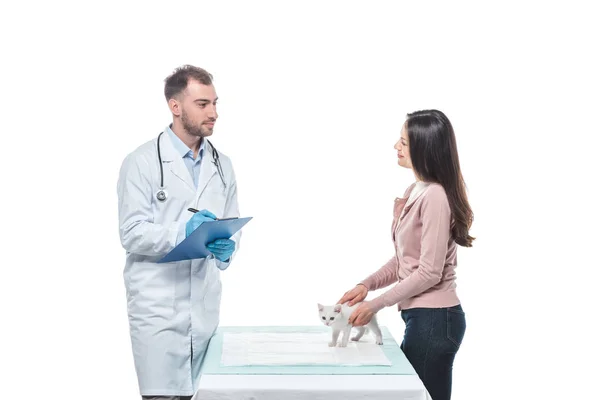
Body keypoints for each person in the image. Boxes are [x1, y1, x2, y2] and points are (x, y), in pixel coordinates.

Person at [117, 65, 241, 399]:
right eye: (203, 104)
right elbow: (130, 233)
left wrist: (227, 247)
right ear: (176, 106)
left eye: (215, 103)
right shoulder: (141, 162)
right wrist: (181, 231)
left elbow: (232, 223)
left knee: (204, 394)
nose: (214, 113)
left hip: (203, 307)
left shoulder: (222, 164)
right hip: (158, 309)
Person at [337, 109, 473, 400]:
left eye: (404, 142)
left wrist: (376, 305)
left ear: (425, 149)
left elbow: (429, 271)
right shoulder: (417, 190)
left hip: (436, 320)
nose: (396, 147)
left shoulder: (435, 196)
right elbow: (404, 259)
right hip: (423, 319)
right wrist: (366, 285)